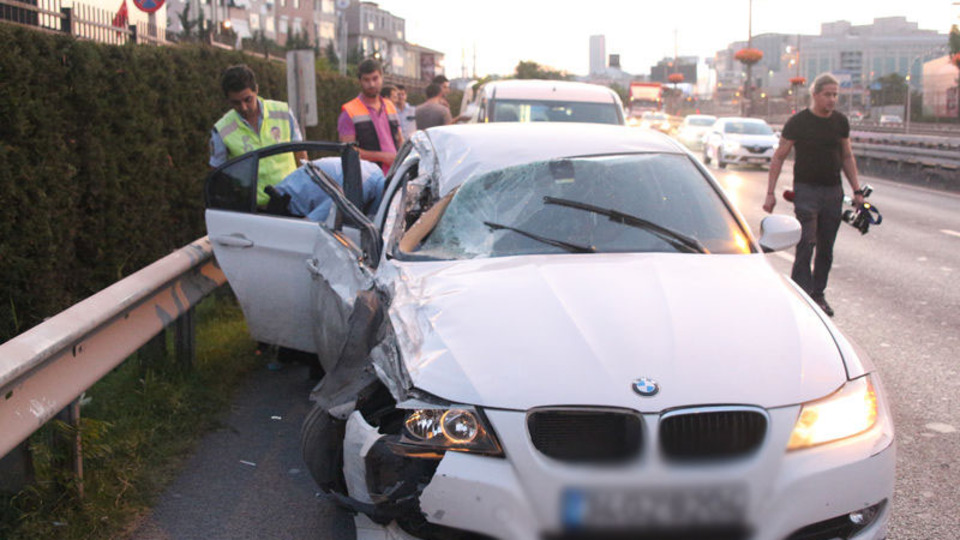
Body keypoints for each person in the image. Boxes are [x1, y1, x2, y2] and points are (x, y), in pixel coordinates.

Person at [764, 73, 864, 317]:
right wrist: (770, 193)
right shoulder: (799, 123)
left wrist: (857, 190)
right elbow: (779, 157)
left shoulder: (840, 122)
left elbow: (847, 156)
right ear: (815, 95)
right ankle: (800, 295)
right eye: (827, 94)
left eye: (835, 95)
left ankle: (818, 295)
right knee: (806, 242)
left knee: (826, 247)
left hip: (833, 191)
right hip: (806, 190)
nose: (832, 99)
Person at [210, 64, 307, 207]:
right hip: (254, 210)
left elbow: (301, 155)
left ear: (256, 90)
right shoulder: (221, 130)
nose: (243, 107)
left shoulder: (283, 112)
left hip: (293, 201)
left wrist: (308, 190)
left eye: (248, 99)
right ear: (227, 100)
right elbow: (217, 176)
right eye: (236, 103)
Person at [338, 58, 403, 174]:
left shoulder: (390, 106)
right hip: (367, 177)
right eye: (366, 80)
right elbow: (348, 151)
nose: (371, 84)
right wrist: (383, 157)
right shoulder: (349, 111)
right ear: (360, 81)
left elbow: (399, 140)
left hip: (395, 175)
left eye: (375, 78)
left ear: (382, 77)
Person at [270, 157, 386, 222]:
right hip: (286, 208)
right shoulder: (356, 190)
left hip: (296, 197)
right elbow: (310, 225)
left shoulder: (375, 173)